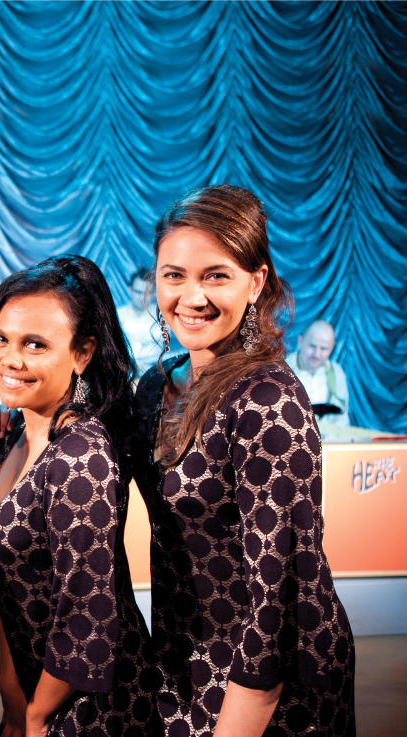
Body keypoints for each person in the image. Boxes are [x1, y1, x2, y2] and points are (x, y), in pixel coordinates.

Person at [132, 185, 355, 737]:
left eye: (216, 275)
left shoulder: (268, 401)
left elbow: (279, 596)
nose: (191, 296)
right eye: (174, 274)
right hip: (184, 652)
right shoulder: (155, 388)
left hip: (268, 680)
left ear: (255, 282)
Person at [0, 255, 161, 737]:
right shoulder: (23, 428)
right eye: (1, 338)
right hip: (34, 687)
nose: (9, 359)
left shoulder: (81, 457)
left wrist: (35, 715)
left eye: (35, 345)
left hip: (89, 708)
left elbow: (88, 619)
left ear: (82, 354)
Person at [285, 320, 350, 425]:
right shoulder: (282, 370)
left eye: (324, 349)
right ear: (300, 341)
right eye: (312, 346)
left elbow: (342, 418)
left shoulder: (337, 373)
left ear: (333, 347)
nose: (317, 354)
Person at [117, 268, 169, 373]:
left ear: (153, 293)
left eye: (147, 293)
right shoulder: (118, 315)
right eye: (138, 292)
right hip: (124, 372)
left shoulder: (162, 316)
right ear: (129, 289)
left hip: (155, 371)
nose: (142, 298)